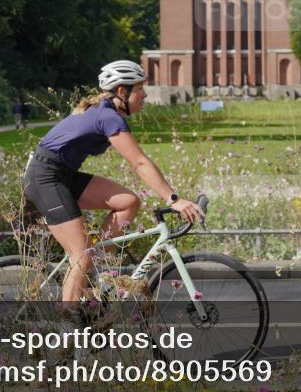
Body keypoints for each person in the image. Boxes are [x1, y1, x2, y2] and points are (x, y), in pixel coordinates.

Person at [22, 60, 204, 306]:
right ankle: (67, 327)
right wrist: (173, 199)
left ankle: (90, 271)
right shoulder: (107, 116)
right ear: (122, 92)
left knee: (128, 202)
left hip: (61, 175)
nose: (145, 95)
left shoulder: (105, 111)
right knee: (80, 254)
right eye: (140, 89)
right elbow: (139, 163)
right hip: (44, 177)